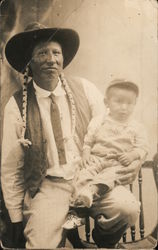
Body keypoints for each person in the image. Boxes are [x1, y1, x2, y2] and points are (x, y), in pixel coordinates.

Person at [1, 22, 142, 249]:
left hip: (90, 177)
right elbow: (11, 166)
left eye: (56, 52)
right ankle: (63, 232)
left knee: (127, 208)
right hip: (49, 186)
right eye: (42, 53)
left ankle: (103, 244)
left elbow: (117, 130)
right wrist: (16, 217)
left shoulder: (85, 89)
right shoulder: (17, 106)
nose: (51, 59)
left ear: (63, 58)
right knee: (40, 246)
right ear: (30, 62)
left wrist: (135, 158)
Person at [62, 80, 148, 230]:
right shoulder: (99, 121)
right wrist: (86, 154)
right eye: (119, 102)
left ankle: (92, 191)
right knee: (82, 174)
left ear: (135, 104)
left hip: (117, 162)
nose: (124, 108)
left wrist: (132, 155)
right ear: (106, 102)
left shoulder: (137, 127)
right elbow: (88, 141)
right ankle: (78, 213)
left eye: (129, 103)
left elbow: (142, 148)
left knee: (112, 175)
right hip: (96, 159)